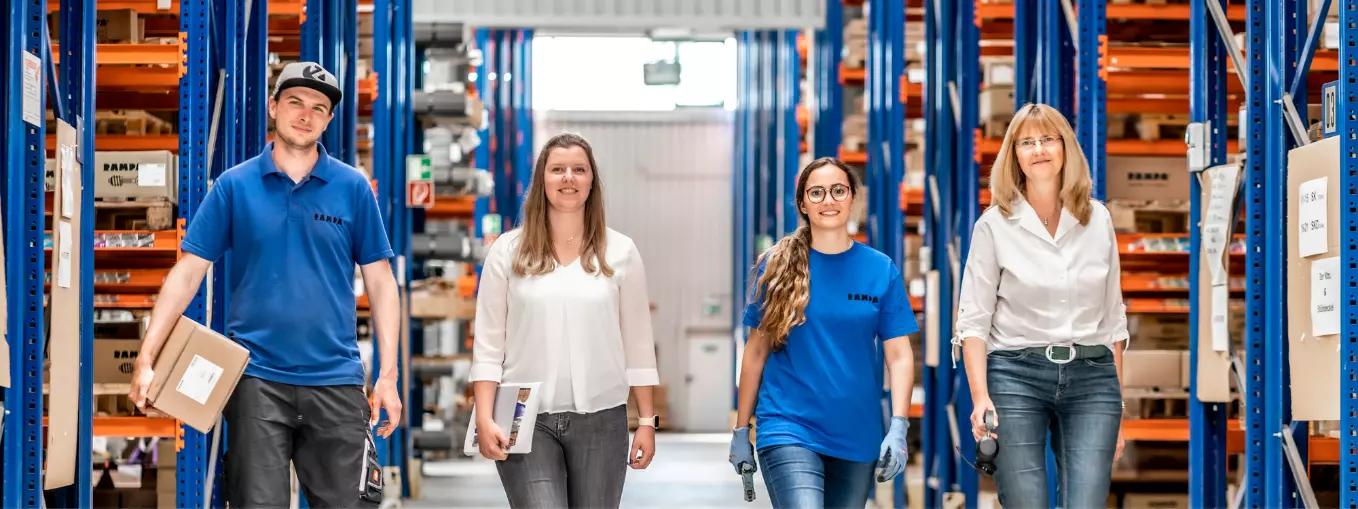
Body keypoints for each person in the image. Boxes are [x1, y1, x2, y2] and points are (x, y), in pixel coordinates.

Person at [127, 61, 400, 508]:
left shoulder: (352, 188)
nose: (305, 114)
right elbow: (188, 271)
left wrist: (387, 376)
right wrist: (147, 356)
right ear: (273, 107)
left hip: (335, 381)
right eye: (295, 102)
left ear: (329, 120)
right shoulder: (234, 186)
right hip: (256, 382)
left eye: (319, 107)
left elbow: (382, 283)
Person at [470, 133, 660, 508]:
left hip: (602, 420)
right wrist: (484, 415)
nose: (568, 177)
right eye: (558, 169)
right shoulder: (507, 252)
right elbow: (489, 343)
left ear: (592, 181)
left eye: (579, 169)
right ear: (543, 179)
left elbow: (638, 343)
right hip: (523, 414)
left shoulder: (620, 252)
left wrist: (647, 421)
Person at [953, 102, 1129, 509]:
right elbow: (973, 322)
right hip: (1016, 376)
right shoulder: (993, 226)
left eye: (1048, 139)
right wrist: (981, 398)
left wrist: (1117, 405)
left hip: (1092, 377)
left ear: (1065, 146)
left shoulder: (1097, 220)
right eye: (1026, 142)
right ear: (1014, 155)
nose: (1038, 149)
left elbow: (1113, 320)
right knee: (1025, 501)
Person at [728, 157, 919, 508]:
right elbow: (755, 353)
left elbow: (899, 354)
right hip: (789, 426)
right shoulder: (776, 267)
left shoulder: (880, 269)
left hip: (857, 434)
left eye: (837, 191)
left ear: (851, 198)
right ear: (802, 203)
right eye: (816, 193)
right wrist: (742, 429)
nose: (828, 200)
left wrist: (899, 425)